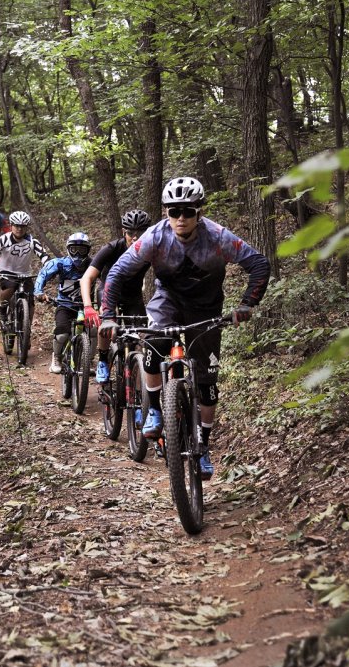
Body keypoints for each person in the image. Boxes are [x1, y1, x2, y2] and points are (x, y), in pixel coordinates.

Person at [100, 176, 270, 479]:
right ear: (166, 212)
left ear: (198, 213)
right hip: (167, 302)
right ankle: (154, 409)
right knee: (153, 346)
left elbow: (258, 263)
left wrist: (247, 304)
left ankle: (203, 447)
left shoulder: (218, 236)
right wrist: (108, 314)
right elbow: (116, 272)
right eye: (174, 211)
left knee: (207, 385)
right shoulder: (154, 237)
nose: (181, 218)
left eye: (188, 211)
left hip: (206, 308)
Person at [79, 209, 151, 384]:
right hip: (108, 291)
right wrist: (88, 307)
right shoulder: (111, 249)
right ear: (123, 231)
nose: (135, 237)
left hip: (133, 295)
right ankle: (103, 360)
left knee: (138, 337)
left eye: (140, 233)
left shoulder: (151, 249)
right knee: (108, 322)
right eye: (130, 233)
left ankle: (136, 378)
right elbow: (86, 278)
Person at [34, 232, 92, 374]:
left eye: (82, 250)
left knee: (94, 331)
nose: (77, 253)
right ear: (68, 249)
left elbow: (109, 280)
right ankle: (57, 357)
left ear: (88, 250)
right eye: (74, 249)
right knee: (62, 334)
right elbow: (43, 274)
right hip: (64, 305)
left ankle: (88, 360)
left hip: (86, 306)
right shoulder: (60, 263)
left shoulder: (93, 265)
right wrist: (39, 292)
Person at [0, 211, 50, 326]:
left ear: (27, 227)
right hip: (7, 272)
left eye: (23, 226)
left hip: (25, 274)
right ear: (11, 226)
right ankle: (2, 308)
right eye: (17, 226)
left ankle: (27, 327)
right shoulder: (4, 239)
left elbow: (44, 256)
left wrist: (49, 267)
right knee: (10, 287)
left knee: (30, 301)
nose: (19, 229)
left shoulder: (32, 241)